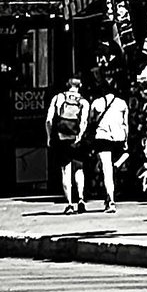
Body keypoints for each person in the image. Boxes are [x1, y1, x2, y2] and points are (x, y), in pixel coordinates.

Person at [45, 77, 90, 214]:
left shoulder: (58, 98)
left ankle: (70, 203)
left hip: (61, 137)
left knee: (65, 170)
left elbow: (48, 120)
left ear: (67, 85)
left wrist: (49, 136)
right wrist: (80, 136)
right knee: (79, 168)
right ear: (79, 86)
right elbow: (84, 122)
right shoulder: (83, 101)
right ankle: (81, 198)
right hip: (76, 138)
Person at [88, 81, 129, 214]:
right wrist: (126, 141)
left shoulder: (96, 103)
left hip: (103, 137)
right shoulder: (122, 103)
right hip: (119, 137)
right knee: (122, 157)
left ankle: (110, 200)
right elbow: (125, 124)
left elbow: (90, 121)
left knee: (107, 170)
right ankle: (117, 164)